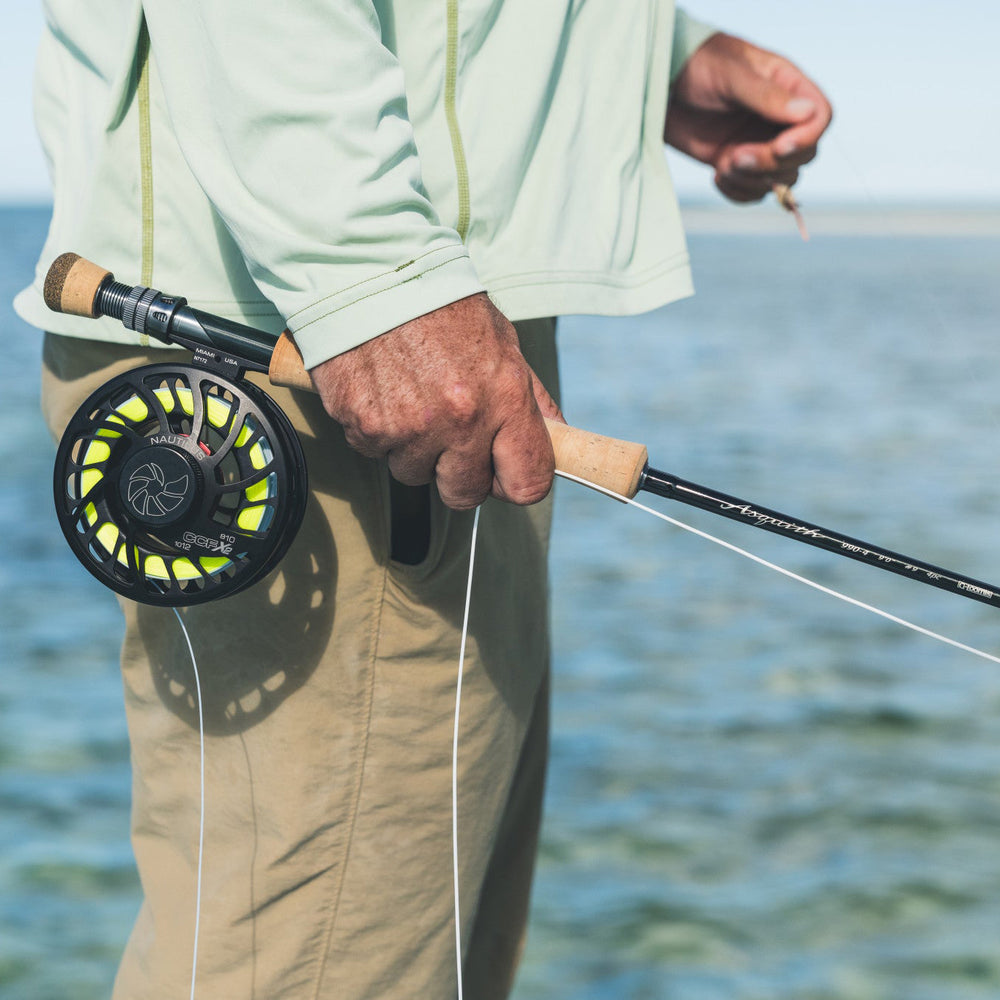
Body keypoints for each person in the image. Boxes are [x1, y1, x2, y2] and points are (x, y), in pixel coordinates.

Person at [17, 3, 831, 997]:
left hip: (454, 338)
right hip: (340, 335)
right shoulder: (372, 291)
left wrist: (637, 54)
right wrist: (369, 271)